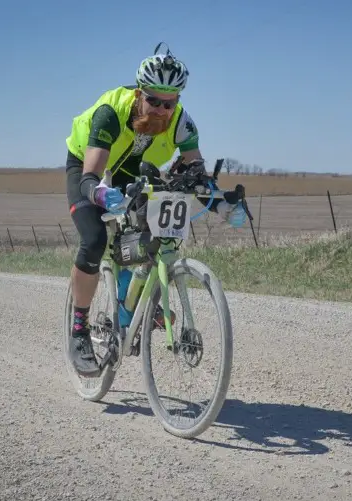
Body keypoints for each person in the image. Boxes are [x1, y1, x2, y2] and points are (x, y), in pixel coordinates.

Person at [64, 43, 247, 376]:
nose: (162, 110)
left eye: (171, 102)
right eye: (154, 101)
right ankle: (79, 329)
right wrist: (101, 195)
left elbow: (196, 177)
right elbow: (91, 177)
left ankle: (134, 302)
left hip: (135, 174)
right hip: (88, 167)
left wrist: (221, 205)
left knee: (154, 236)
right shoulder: (111, 112)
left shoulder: (182, 124)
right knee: (93, 241)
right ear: (139, 93)